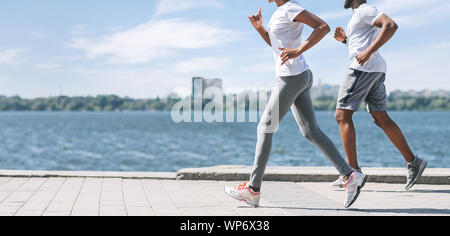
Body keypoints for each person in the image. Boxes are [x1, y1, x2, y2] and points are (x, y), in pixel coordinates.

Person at [224, 0, 367, 209]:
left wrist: (299, 50)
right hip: (297, 75)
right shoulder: (281, 12)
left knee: (265, 127)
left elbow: (322, 27)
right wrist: (260, 29)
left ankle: (253, 190)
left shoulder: (291, 7)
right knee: (311, 131)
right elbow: (277, 46)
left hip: (292, 77)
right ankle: (349, 175)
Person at [331, 0, 427, 190]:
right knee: (380, 117)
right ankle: (413, 162)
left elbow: (390, 25)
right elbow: (362, 43)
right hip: (375, 69)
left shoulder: (365, 10)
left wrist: (367, 52)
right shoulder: (359, 13)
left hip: (362, 70)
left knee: (342, 116)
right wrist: (346, 41)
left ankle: (352, 173)